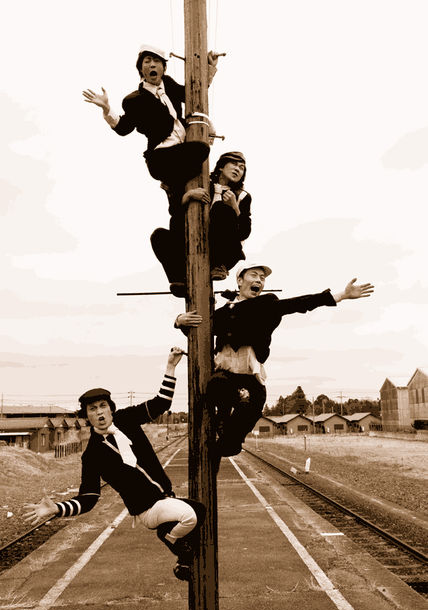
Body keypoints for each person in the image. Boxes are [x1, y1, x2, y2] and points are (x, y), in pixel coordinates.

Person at [23, 347, 205, 582]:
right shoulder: (92, 455)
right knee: (189, 516)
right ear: (86, 416)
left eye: (102, 406)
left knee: (201, 511)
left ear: (110, 408)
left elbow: (160, 403)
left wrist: (170, 366)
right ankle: (169, 537)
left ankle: (184, 560)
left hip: (166, 497)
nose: (99, 412)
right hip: (148, 509)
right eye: (92, 409)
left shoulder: (126, 420)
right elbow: (88, 498)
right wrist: (57, 508)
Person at [175, 264, 374, 461]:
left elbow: (297, 304)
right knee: (216, 385)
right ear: (240, 281)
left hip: (249, 376)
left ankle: (228, 442)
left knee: (250, 410)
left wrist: (340, 295)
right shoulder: (222, 313)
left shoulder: (266, 305)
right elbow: (198, 328)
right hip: (224, 375)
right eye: (254, 275)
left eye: (262, 278)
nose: (259, 280)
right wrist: (179, 321)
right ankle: (222, 422)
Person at [82, 44, 220, 193]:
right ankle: (172, 184)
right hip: (160, 158)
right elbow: (123, 128)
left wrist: (209, 67)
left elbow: (192, 94)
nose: (152, 64)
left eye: (156, 61)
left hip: (181, 153)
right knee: (201, 149)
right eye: (147, 61)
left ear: (164, 68)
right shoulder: (134, 100)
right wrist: (106, 108)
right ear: (141, 70)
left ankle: (173, 187)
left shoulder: (168, 83)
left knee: (184, 196)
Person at [151, 151, 252, 297]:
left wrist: (235, 208)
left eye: (242, 168)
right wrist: (188, 195)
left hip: (225, 251)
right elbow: (174, 212)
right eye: (234, 164)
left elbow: (244, 232)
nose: (238, 169)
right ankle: (179, 280)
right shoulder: (201, 183)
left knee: (221, 209)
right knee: (159, 235)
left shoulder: (242, 196)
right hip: (193, 240)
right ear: (221, 167)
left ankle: (218, 266)